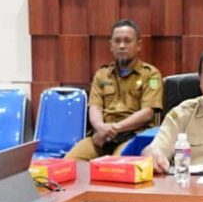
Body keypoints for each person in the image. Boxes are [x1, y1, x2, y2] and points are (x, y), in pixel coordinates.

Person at [67, 19, 164, 161]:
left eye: (127, 41)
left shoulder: (151, 75)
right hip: (101, 135)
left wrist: (114, 128)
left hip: (133, 135)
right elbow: (95, 107)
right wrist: (100, 127)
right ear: (111, 45)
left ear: (138, 45)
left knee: (114, 166)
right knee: (69, 163)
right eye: (117, 41)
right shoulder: (102, 75)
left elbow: (147, 113)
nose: (122, 46)